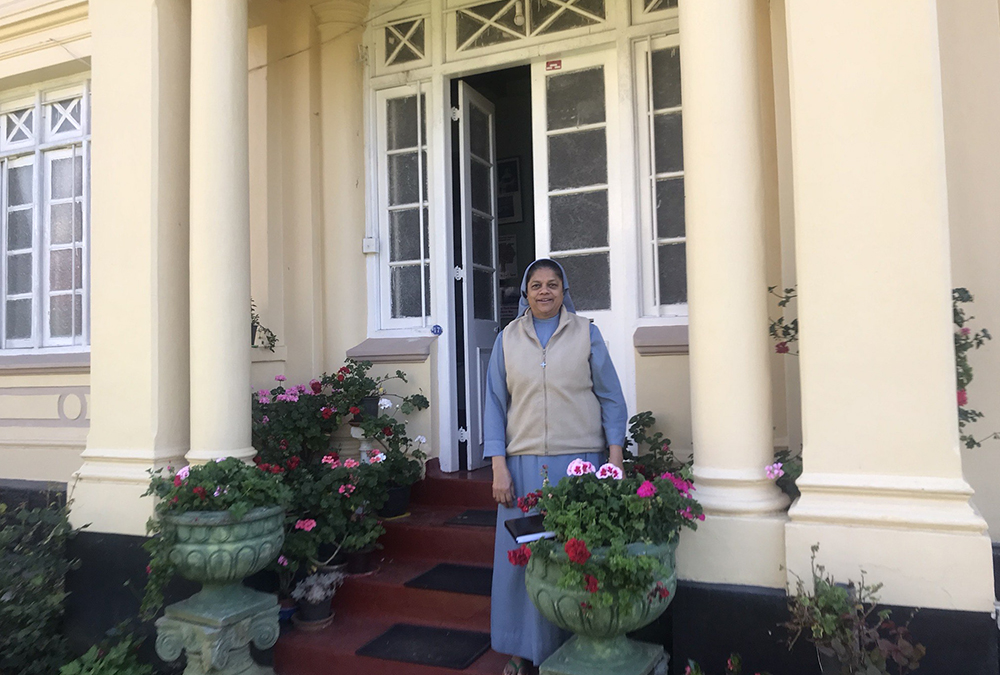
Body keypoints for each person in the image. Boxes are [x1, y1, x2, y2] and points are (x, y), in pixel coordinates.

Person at [484, 258, 627, 675]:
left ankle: (577, 646)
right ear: (525, 293)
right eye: (536, 285)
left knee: (575, 559)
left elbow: (612, 398)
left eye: (552, 285)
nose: (544, 292)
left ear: (564, 291)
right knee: (523, 561)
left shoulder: (587, 335)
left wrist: (614, 458)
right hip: (522, 467)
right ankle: (523, 650)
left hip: (579, 466)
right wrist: (498, 466)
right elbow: (495, 405)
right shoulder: (507, 340)